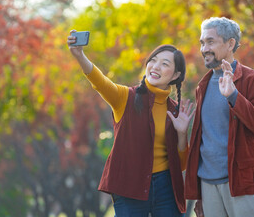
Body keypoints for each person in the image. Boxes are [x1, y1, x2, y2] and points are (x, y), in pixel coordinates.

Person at [67, 30, 195, 217]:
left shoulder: (176, 111)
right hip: (129, 186)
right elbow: (100, 82)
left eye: (164, 64)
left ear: (175, 75)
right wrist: (80, 56)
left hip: (166, 188)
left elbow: (181, 165)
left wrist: (182, 133)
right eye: (153, 60)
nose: (155, 67)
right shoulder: (125, 98)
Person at [184, 17, 254, 217]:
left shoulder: (251, 79)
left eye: (210, 41)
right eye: (202, 42)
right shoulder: (203, 85)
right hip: (208, 186)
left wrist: (234, 96)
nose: (204, 48)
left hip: (243, 185)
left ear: (230, 43)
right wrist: (200, 194)